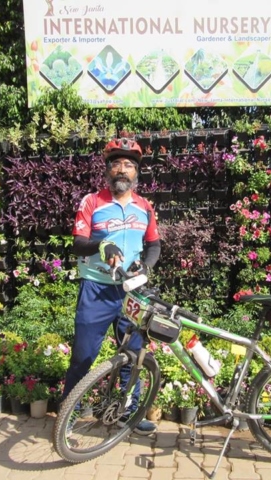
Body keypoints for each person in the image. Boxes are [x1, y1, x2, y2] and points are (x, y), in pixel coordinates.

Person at [62, 137, 161, 435]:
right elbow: (78, 243)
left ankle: (128, 414)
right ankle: (68, 415)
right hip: (97, 289)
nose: (122, 169)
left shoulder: (144, 206)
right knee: (83, 356)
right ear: (107, 170)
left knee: (133, 355)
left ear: (136, 172)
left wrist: (146, 267)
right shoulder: (92, 202)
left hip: (131, 292)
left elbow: (154, 245)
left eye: (129, 165)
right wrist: (102, 244)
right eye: (116, 163)